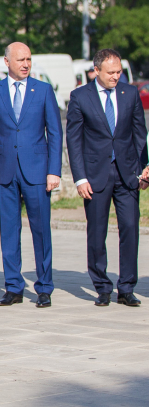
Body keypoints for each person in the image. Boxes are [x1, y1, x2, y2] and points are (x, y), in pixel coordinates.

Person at [0, 42, 63, 308]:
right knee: (8, 231)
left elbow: (55, 134)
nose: (26, 64)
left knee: (41, 230)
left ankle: (44, 287)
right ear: (7, 62)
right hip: (4, 171)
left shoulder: (44, 90)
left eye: (29, 59)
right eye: (20, 60)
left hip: (37, 171)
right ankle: (13, 287)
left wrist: (54, 170)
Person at [66, 49, 148, 307]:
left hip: (127, 175)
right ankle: (102, 286)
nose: (116, 76)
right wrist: (80, 178)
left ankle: (126, 288)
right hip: (95, 175)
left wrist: (144, 168)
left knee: (130, 229)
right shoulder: (80, 97)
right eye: (111, 72)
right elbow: (74, 140)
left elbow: (139, 134)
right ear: (96, 71)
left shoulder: (130, 93)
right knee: (97, 232)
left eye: (119, 72)